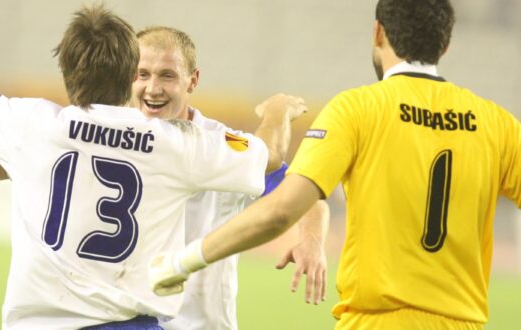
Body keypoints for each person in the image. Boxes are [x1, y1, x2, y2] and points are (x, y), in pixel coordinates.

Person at [0, 22, 328, 330]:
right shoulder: (184, 147)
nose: (153, 87)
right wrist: (277, 110)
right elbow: (1, 161)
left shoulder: (46, 124)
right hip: (137, 315)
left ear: (193, 80)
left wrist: (311, 239)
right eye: (143, 74)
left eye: (167, 76)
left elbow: (303, 188)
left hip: (194, 320)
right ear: (126, 77)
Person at [150, 0, 521, 329]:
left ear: (378, 32)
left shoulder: (358, 109)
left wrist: (180, 263)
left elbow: (282, 210)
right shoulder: (497, 124)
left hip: (377, 321)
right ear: (445, 44)